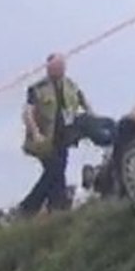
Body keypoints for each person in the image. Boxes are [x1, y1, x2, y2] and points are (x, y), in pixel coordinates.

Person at [19, 54, 93, 216]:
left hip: (64, 136)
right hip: (45, 139)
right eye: (55, 67)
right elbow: (27, 112)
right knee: (54, 169)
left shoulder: (70, 85)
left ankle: (56, 206)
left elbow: (83, 101)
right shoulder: (38, 88)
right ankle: (30, 206)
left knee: (57, 172)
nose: (59, 70)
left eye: (61, 67)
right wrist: (35, 132)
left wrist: (92, 119)